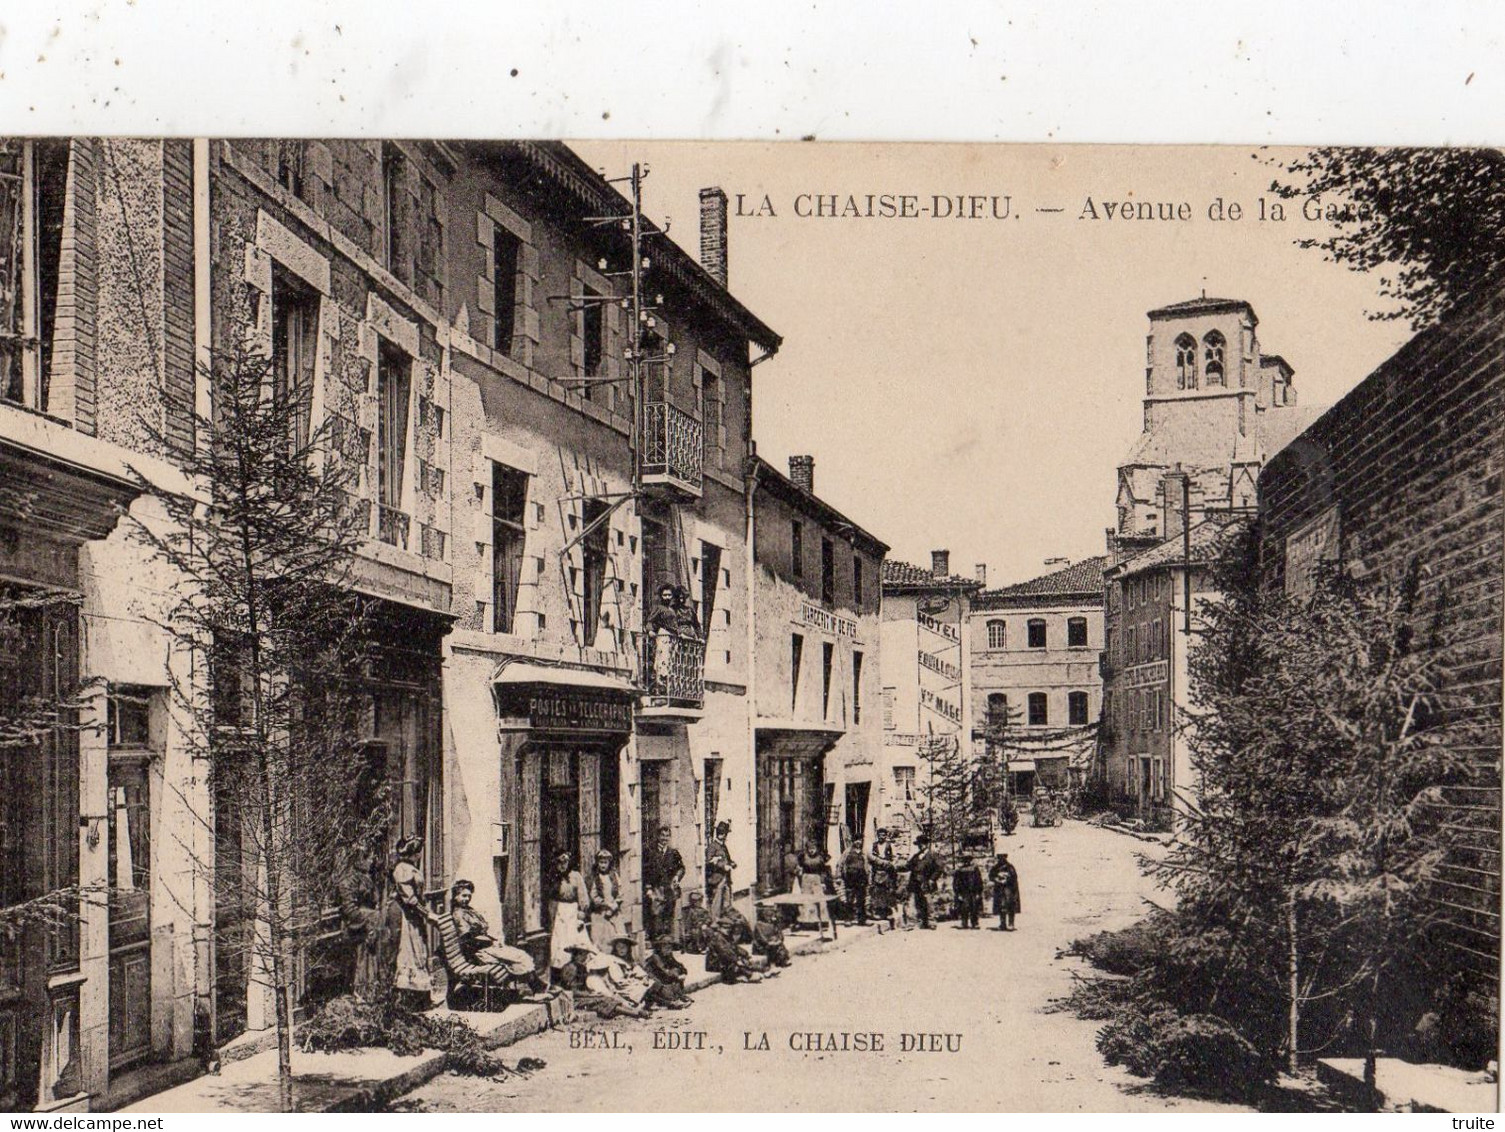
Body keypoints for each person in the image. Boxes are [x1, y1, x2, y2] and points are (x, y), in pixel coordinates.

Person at [448, 879, 547, 995]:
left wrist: (493, 941)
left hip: (485, 947)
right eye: (463, 896)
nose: (467, 899)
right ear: (455, 896)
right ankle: (538, 988)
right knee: (519, 957)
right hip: (478, 952)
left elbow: (480, 933)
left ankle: (538, 987)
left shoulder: (468, 910)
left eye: (469, 896)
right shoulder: (459, 914)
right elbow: (469, 938)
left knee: (518, 955)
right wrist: (491, 943)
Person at [335, 845, 393, 1001]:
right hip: (358, 929)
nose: (372, 862)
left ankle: (373, 995)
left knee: (373, 960)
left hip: (372, 925)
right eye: (368, 859)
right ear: (359, 860)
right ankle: (361, 996)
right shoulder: (348, 880)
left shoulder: (367, 877)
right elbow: (349, 907)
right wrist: (366, 926)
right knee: (362, 961)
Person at [390, 836, 437, 1003]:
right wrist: (427, 914)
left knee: (418, 951)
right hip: (406, 917)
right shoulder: (403, 870)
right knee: (409, 952)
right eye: (418, 852)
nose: (420, 855)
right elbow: (410, 899)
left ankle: (419, 997)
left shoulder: (410, 868)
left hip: (414, 917)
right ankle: (406, 1000)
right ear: (414, 854)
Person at [555, 944, 649, 1019]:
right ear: (575, 955)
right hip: (572, 999)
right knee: (601, 1000)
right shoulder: (571, 968)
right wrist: (590, 994)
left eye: (585, 954)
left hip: (582, 996)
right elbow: (572, 991)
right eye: (580, 954)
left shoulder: (582, 967)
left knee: (606, 997)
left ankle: (632, 1011)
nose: (583, 957)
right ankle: (634, 1013)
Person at [608, 935, 690, 1009]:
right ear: (615, 948)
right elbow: (619, 980)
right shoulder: (613, 961)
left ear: (628, 948)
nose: (622, 949)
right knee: (651, 986)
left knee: (651, 985)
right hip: (624, 987)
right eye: (619, 947)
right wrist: (635, 981)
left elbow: (639, 971)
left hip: (635, 983)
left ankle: (675, 1000)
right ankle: (671, 1004)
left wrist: (643, 977)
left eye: (624, 947)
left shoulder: (629, 960)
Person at [549, 850, 596, 972]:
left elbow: (583, 895)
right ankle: (561, 971)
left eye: (565, 862)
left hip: (573, 911)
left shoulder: (575, 876)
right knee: (559, 943)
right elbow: (551, 898)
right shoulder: (554, 878)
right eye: (559, 863)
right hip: (560, 912)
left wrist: (582, 912)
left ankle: (579, 969)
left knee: (575, 939)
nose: (562, 865)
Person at [642, 825, 686, 942]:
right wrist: (648, 889)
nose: (664, 838)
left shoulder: (673, 853)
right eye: (662, 835)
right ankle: (657, 941)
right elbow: (645, 872)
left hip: (669, 889)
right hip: (656, 889)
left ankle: (667, 942)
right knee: (656, 915)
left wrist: (677, 876)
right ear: (658, 836)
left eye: (667, 836)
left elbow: (681, 868)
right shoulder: (650, 851)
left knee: (669, 915)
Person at [586, 848, 626, 950]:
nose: (603, 865)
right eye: (601, 862)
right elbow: (594, 896)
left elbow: (620, 893)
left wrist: (614, 905)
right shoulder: (595, 878)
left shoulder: (614, 876)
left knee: (618, 936)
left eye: (605, 862)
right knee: (601, 941)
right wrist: (606, 904)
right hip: (600, 913)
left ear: (609, 863)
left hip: (614, 911)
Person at [704, 914, 762, 984]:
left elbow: (735, 947)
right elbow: (725, 952)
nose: (727, 930)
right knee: (733, 962)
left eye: (729, 928)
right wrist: (737, 960)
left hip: (722, 960)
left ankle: (760, 970)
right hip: (714, 963)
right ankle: (749, 975)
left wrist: (746, 955)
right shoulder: (717, 938)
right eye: (725, 928)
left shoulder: (726, 937)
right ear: (720, 928)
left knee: (743, 960)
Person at [906, 834, 942, 930]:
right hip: (914, 882)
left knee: (928, 902)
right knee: (912, 902)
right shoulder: (916, 856)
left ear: (926, 844)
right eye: (919, 844)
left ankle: (931, 922)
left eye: (922, 844)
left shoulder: (933, 855)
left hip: (926, 881)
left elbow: (939, 868)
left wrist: (932, 879)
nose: (920, 846)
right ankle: (911, 923)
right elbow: (908, 866)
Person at [867, 829, 899, 928]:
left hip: (887, 872)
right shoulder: (873, 846)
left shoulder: (890, 845)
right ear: (877, 836)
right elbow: (869, 856)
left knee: (887, 892)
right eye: (880, 835)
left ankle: (888, 913)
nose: (882, 837)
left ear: (886, 836)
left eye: (884, 835)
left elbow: (895, 857)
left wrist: (890, 864)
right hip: (877, 872)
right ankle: (879, 913)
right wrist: (877, 861)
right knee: (877, 892)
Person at [705, 820, 735, 920]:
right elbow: (709, 861)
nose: (725, 836)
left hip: (726, 879)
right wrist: (722, 866)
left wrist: (732, 864)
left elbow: (727, 859)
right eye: (724, 834)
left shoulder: (723, 846)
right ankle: (715, 924)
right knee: (716, 905)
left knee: (727, 904)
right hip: (716, 880)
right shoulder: (712, 846)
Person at [839, 836, 869, 925]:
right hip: (850, 879)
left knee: (861, 899)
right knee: (849, 899)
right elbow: (840, 864)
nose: (858, 842)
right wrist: (838, 876)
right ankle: (848, 919)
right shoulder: (847, 852)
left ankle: (862, 920)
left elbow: (869, 864)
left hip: (861, 879)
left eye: (860, 840)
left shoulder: (864, 853)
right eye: (856, 840)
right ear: (853, 841)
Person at [953, 855, 985, 929]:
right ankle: (964, 923)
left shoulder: (975, 869)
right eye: (965, 860)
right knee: (964, 908)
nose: (967, 861)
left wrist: (979, 892)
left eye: (968, 860)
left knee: (974, 908)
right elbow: (956, 883)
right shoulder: (960, 870)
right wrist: (958, 893)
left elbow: (979, 881)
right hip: (964, 892)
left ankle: (975, 923)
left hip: (973, 891)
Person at [991, 852, 1021, 931]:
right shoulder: (996, 867)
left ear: (1005, 858)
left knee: (1010, 906)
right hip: (999, 889)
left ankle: (1011, 923)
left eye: (1002, 857)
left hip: (1009, 889)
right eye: (999, 858)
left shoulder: (1010, 867)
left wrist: (1007, 880)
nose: (1001, 859)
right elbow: (991, 875)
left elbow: (1014, 877)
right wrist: (996, 879)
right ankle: (1002, 924)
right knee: (1001, 906)